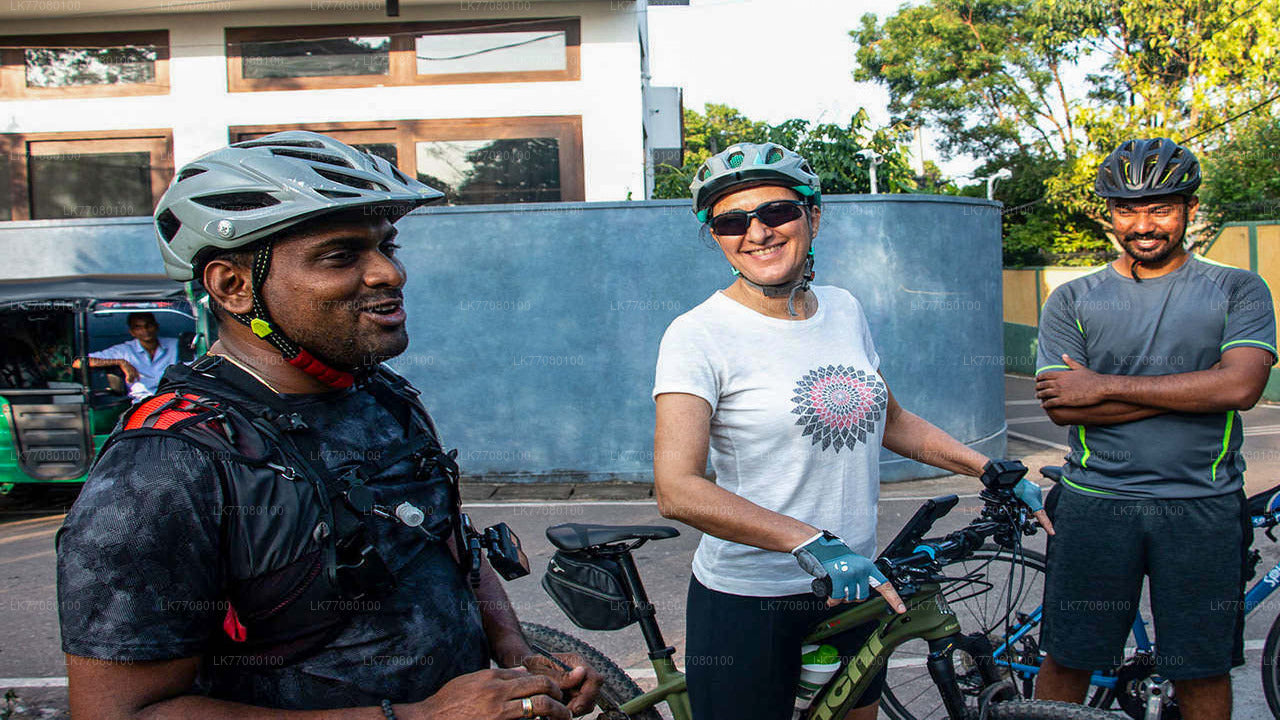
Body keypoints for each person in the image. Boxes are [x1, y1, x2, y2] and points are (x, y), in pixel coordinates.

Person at [56, 131, 601, 720]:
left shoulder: (382, 396)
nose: (389, 273)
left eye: (387, 247)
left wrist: (512, 651)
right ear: (233, 286)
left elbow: (444, 541)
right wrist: (416, 718)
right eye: (341, 255)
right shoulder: (169, 463)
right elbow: (121, 712)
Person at [651, 142, 1052, 720]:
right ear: (715, 236)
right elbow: (677, 488)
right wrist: (809, 541)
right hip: (752, 596)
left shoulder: (843, 309)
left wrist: (987, 469)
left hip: (856, 587)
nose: (757, 232)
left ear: (813, 216)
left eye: (777, 212)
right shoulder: (698, 335)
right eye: (732, 221)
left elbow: (893, 420)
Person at [1033, 137, 1272, 718]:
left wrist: (1105, 386)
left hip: (1203, 506)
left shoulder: (1238, 288)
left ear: (1189, 208)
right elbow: (1064, 407)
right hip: (1095, 503)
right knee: (1067, 660)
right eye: (1127, 209)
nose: (1143, 224)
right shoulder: (1072, 298)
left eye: (1160, 208)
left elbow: (1241, 387)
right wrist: (1199, 388)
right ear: (1109, 214)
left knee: (1203, 669)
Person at [73, 312, 179, 400]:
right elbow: (78, 362)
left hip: (175, 399)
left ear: (156, 326)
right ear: (132, 332)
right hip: (142, 403)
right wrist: (120, 362)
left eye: (149, 325)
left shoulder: (176, 345)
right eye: (138, 327)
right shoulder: (124, 350)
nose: (145, 330)